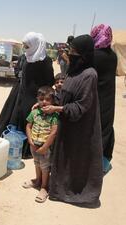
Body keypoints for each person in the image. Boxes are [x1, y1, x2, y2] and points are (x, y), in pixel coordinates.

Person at [42, 35, 103, 208]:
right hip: (67, 125)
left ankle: (79, 195)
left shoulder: (89, 75)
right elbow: (63, 94)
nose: (70, 54)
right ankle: (58, 190)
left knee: (77, 161)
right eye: (70, 50)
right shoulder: (73, 71)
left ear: (84, 55)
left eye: (74, 52)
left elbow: (81, 106)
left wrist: (57, 109)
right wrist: (46, 102)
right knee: (63, 159)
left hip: (80, 129)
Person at [0, 32, 54, 141]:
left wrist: (42, 99)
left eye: (27, 46)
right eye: (24, 46)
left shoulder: (46, 61)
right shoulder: (26, 57)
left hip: (36, 96)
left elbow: (49, 81)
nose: (25, 48)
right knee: (17, 115)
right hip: (22, 93)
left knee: (31, 120)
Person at [23, 86, 58, 203]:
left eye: (47, 99)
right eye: (41, 99)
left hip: (45, 148)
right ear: (37, 99)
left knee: (45, 166)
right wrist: (30, 140)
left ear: (52, 101)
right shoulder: (34, 112)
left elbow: (53, 132)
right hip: (34, 145)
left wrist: (45, 147)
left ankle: (44, 187)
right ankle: (37, 180)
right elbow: (28, 126)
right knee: (37, 163)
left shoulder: (54, 116)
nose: (44, 102)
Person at [91, 24, 118, 174]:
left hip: (95, 98)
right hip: (108, 100)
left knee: (91, 130)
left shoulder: (94, 55)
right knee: (104, 128)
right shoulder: (113, 55)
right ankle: (100, 162)